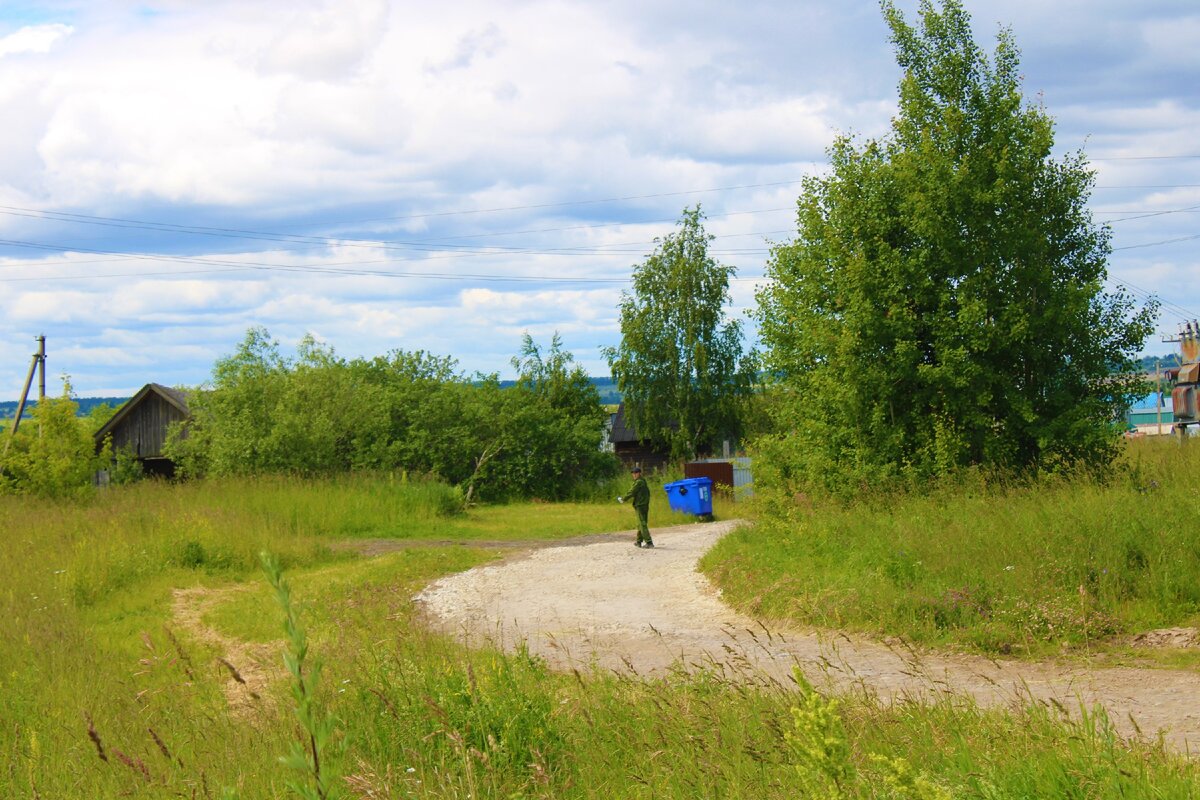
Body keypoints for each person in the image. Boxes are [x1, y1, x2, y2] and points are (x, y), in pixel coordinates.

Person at [617, 465, 654, 548]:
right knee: (640, 523)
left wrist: (623, 499)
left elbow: (632, 492)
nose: (634, 474)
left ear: (639, 473)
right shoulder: (642, 481)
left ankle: (649, 542)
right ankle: (639, 541)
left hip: (640, 505)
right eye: (633, 473)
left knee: (642, 523)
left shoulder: (639, 482)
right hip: (643, 504)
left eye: (636, 473)